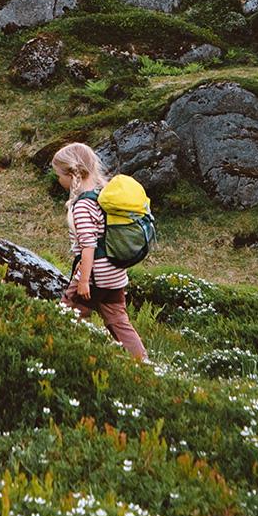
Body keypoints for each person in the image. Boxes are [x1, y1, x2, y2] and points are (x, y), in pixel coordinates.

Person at [50, 142, 148, 361]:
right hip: (116, 273)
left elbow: (88, 245)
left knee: (66, 315)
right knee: (119, 321)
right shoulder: (102, 196)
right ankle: (142, 362)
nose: (58, 180)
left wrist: (83, 281)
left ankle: (62, 358)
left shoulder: (82, 206)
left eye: (59, 174)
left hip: (95, 275)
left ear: (72, 173)